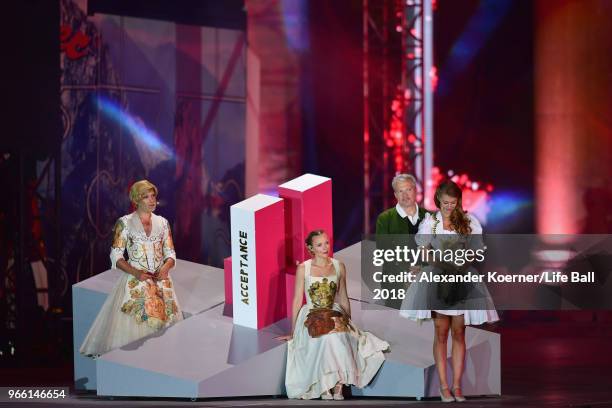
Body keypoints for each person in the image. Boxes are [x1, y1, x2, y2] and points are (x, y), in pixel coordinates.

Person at [400, 180, 498, 402]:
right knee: (441, 332)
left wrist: (462, 264)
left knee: (459, 332)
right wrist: (443, 265)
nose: (449, 207)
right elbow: (424, 252)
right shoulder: (431, 222)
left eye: (453, 203)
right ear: (438, 201)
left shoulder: (468, 221)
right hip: (438, 277)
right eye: (445, 203)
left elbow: (475, 250)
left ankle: (457, 386)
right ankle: (444, 386)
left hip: (461, 277)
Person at [279, 230, 389, 400]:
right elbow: (296, 300)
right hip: (311, 313)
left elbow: (343, 296)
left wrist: (348, 322)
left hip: (333, 311)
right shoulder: (304, 268)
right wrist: (293, 331)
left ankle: (338, 384)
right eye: (319, 245)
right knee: (324, 338)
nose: (325, 248)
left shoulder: (338, 266)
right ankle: (323, 385)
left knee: (341, 335)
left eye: (327, 243)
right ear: (311, 248)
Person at [80, 180, 183, 356]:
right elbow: (116, 256)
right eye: (146, 197)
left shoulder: (163, 223)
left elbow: (171, 253)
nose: (152, 200)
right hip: (135, 281)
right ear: (136, 199)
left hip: (161, 284)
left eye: (153, 196)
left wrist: (166, 267)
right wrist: (136, 272)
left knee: (164, 341)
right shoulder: (125, 223)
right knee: (134, 342)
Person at [376, 174, 429, 309]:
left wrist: (422, 269)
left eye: (408, 190)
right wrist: (408, 269)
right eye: (401, 191)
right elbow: (384, 251)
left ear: (415, 190)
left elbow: (437, 249)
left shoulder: (429, 216)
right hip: (396, 283)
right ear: (395, 195)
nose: (405, 195)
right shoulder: (385, 219)